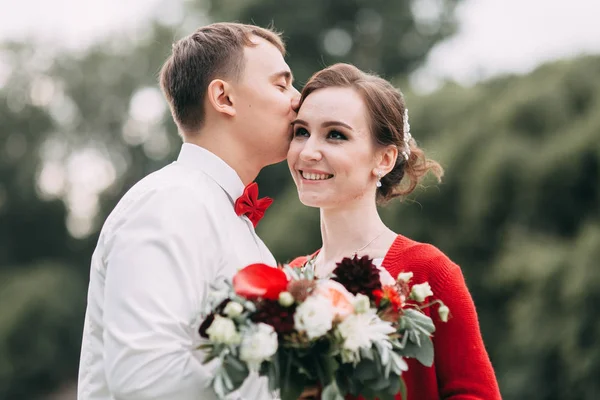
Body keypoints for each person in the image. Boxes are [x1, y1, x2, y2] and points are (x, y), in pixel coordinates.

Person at [77, 22, 301, 400]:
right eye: (281, 85)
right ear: (223, 98)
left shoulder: (234, 221)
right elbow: (143, 379)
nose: (298, 99)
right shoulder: (169, 204)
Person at [288, 63, 502, 400]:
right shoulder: (290, 280)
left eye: (335, 135)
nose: (308, 151)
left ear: (384, 159)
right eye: (301, 131)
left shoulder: (430, 272)